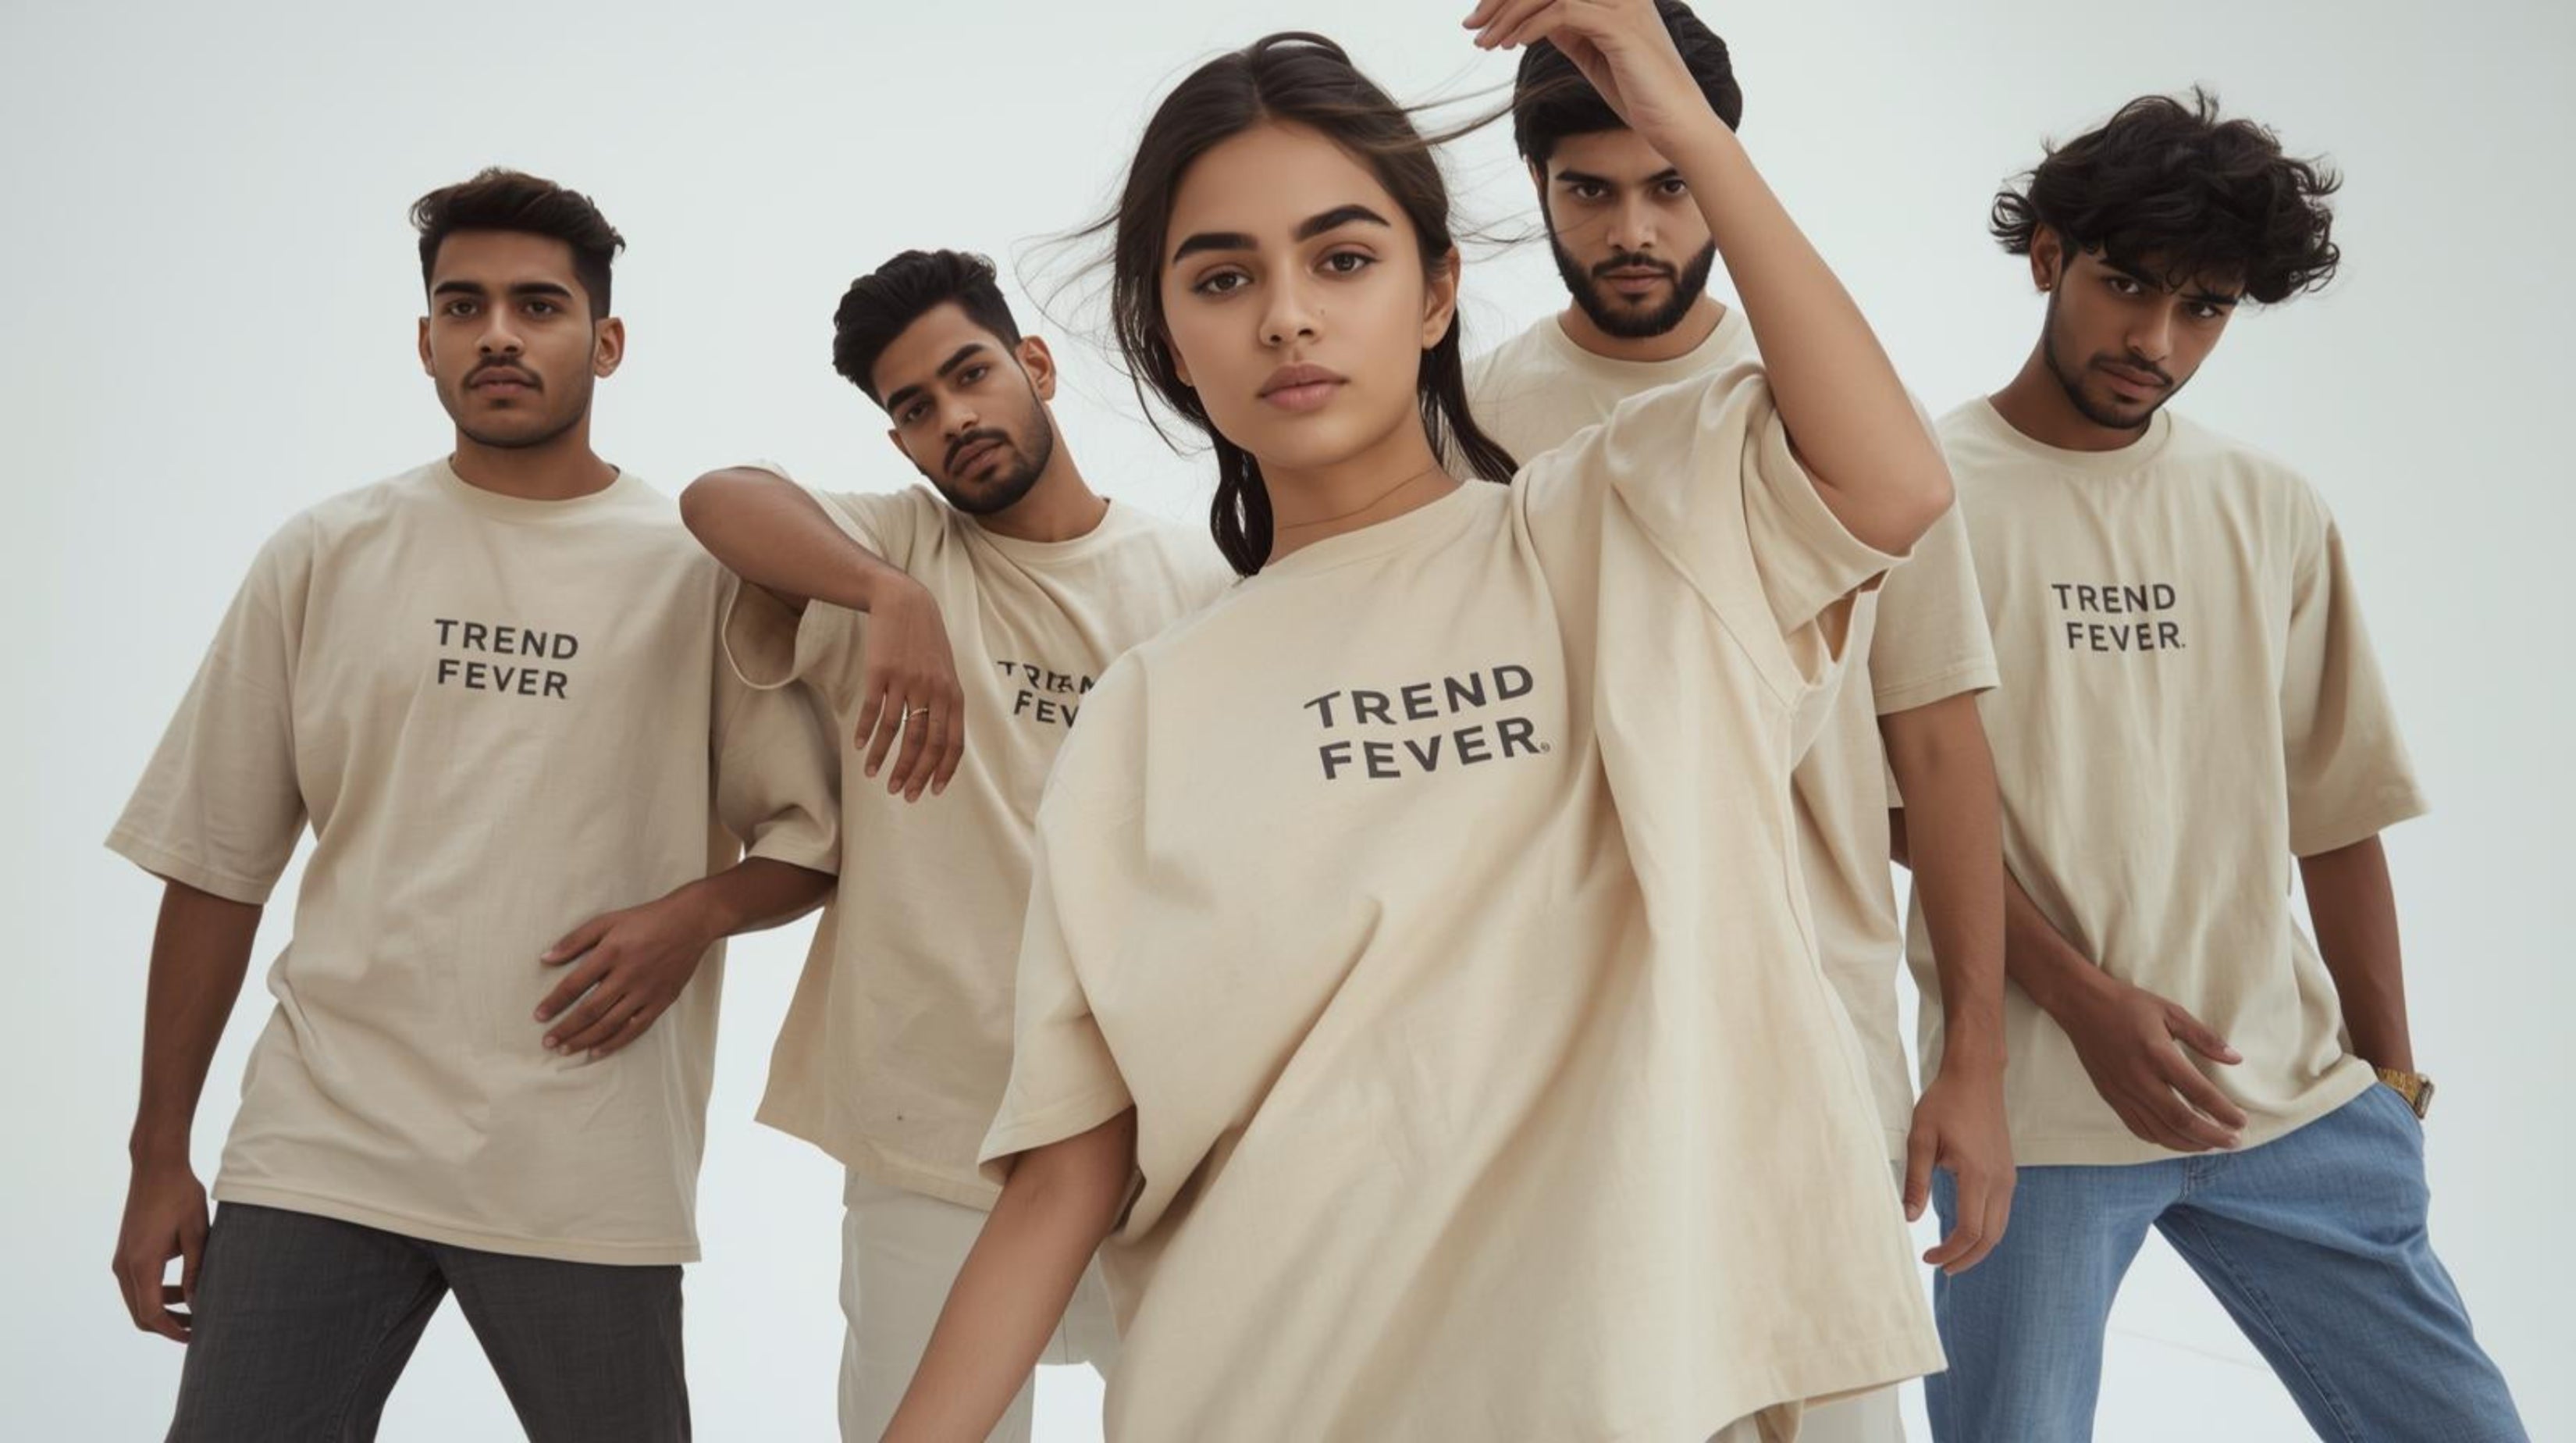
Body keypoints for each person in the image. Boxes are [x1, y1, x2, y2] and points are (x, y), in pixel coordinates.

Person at [883, 3, 1956, 1438]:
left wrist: (1677, 115)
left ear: (1438, 290)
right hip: (1262, 1390)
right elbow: (1072, 1163)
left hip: (1627, 1384)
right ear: (1168, 339)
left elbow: (1891, 485)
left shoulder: (1618, 528)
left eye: (1342, 257)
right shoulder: (1149, 706)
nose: (1287, 315)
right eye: (1222, 277)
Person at [105, 167, 840, 1443]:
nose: (498, 332)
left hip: (585, 1159)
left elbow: (810, 843)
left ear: (605, 340)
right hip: (322, 1147)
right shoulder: (326, 552)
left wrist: (692, 914)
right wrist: (156, 1154)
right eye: (465, 305)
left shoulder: (696, 572)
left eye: (538, 305)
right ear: (427, 340)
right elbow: (216, 863)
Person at [1921, 92, 2528, 1441]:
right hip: (2047, 1120)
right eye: (2126, 286)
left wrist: (2394, 1091)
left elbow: (2341, 811)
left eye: (2202, 309)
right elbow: (1900, 815)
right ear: (2048, 258)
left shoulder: (2269, 508)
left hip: (2297, 1107)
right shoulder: (1923, 499)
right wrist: (2081, 1002)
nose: (2154, 340)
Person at [1468, 16, 2013, 1438]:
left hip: (1816, 1029)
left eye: (1670, 186)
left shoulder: (1845, 415)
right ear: (1538, 192)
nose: (1634, 229)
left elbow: (1942, 747)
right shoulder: (1469, 419)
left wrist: (1972, 1061)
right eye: (1592, 192)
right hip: (1562, 1036)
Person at [679, 248, 1230, 1442]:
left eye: (970, 375)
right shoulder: (895, 553)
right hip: (932, 1128)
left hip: (1156, 1134)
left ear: (1034, 365)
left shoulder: (1195, 577)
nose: (953, 418)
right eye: (913, 409)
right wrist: (893, 602)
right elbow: (719, 496)